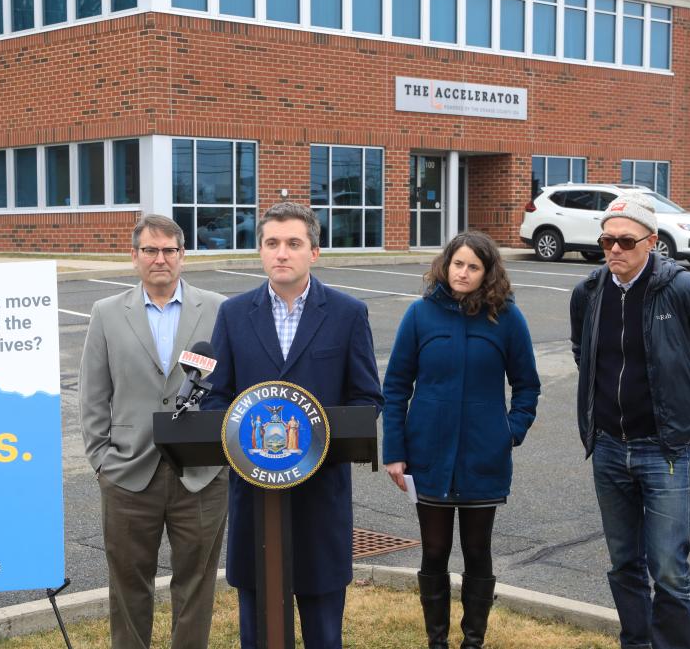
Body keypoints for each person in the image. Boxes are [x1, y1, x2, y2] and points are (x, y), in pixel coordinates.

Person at [570, 194, 690, 649]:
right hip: (608, 447)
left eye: (625, 241)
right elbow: (583, 353)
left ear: (651, 242)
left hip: (663, 449)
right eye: (607, 239)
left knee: (668, 567)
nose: (614, 249)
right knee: (623, 561)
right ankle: (636, 642)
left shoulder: (684, 291)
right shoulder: (589, 293)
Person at [203, 202, 383, 649]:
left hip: (320, 497)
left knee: (323, 630)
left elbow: (367, 398)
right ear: (260, 251)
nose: (281, 253)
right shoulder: (233, 313)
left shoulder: (346, 314)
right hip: (255, 495)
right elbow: (218, 395)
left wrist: (316, 433)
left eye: (293, 244)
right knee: (258, 628)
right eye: (271, 243)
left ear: (314, 252)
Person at [382, 231, 540, 649]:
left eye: (473, 266)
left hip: (482, 458)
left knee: (476, 550)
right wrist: (395, 452)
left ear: (488, 273)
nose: (463, 273)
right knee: (433, 550)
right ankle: (437, 641)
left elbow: (527, 386)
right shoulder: (420, 315)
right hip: (427, 456)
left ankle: (473, 641)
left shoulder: (506, 318)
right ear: (445, 264)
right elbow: (396, 386)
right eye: (458, 264)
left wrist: (511, 433)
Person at [79, 214, 228, 649]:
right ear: (134, 256)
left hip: (201, 474)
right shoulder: (106, 313)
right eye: (150, 250)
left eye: (168, 250)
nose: (159, 259)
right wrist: (102, 461)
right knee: (128, 586)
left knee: (196, 586)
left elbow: (230, 386)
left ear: (183, 256)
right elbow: (93, 394)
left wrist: (222, 461)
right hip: (127, 472)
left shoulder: (218, 309)